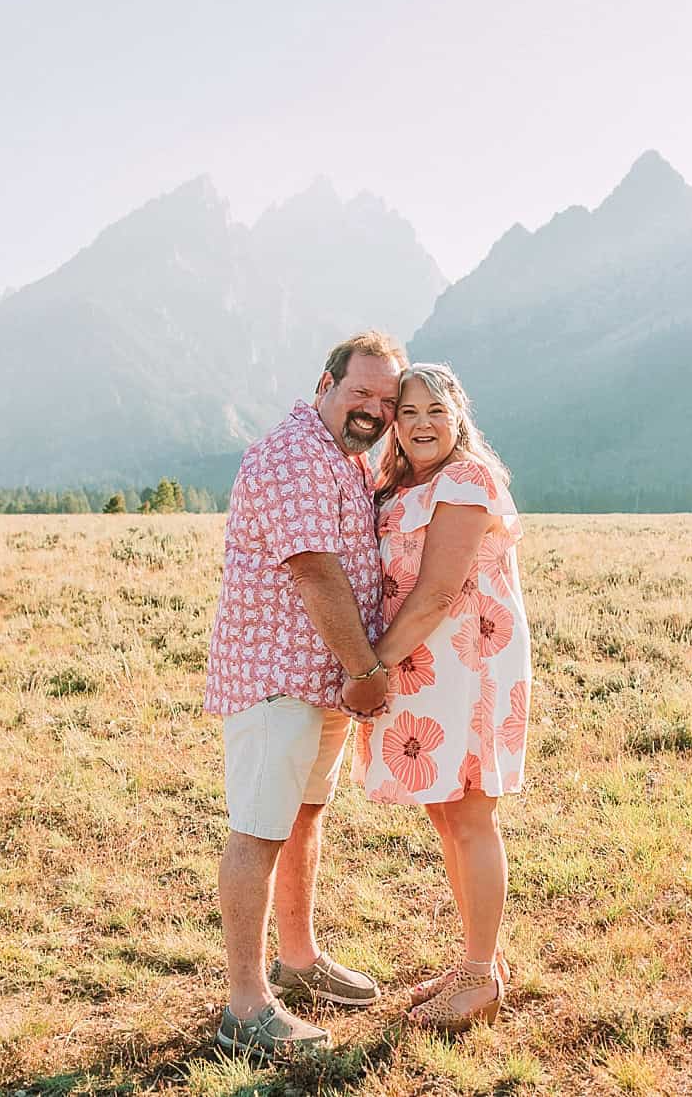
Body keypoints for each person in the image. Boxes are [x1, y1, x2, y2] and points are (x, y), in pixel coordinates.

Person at [205, 331, 406, 1059]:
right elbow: (316, 572)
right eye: (362, 394)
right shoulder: (294, 453)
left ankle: (299, 957)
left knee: (304, 815)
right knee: (258, 828)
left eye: (387, 400)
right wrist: (365, 671)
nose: (375, 411)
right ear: (326, 382)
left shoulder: (347, 458)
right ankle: (246, 1005)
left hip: (319, 678)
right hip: (277, 674)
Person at [354, 362, 531, 1032]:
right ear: (394, 423)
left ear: (459, 416)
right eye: (409, 411)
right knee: (445, 810)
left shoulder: (465, 478)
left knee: (470, 815)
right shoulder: (402, 482)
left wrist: (372, 666)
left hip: (470, 658)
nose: (422, 422)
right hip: (425, 662)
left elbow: (436, 591)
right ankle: (475, 959)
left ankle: (479, 976)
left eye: (436, 410)